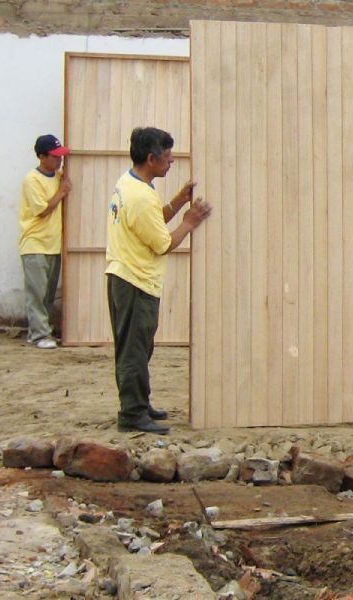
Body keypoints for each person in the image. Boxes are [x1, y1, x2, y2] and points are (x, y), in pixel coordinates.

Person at [106, 127, 212, 434]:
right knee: (134, 351)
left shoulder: (132, 183)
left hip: (129, 277)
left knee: (138, 347)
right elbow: (163, 242)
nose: (172, 162)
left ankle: (139, 403)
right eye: (167, 157)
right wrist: (189, 222)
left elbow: (153, 222)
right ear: (151, 158)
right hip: (134, 281)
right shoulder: (139, 196)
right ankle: (133, 413)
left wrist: (178, 201)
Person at [19, 135, 71, 349]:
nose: (59, 160)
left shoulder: (58, 176)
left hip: (52, 244)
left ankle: (39, 332)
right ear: (42, 157)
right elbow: (42, 210)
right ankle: (40, 335)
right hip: (35, 244)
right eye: (54, 156)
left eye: (60, 156)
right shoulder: (32, 179)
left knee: (48, 293)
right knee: (37, 293)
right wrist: (62, 192)